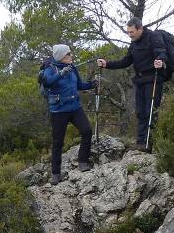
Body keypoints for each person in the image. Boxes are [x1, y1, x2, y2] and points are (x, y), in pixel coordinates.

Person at [96, 17, 166, 151]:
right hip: (140, 80)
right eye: (128, 32)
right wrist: (107, 64)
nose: (129, 35)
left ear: (140, 29)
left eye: (131, 32)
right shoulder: (133, 43)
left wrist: (160, 61)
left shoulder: (153, 37)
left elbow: (161, 52)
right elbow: (126, 61)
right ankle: (140, 142)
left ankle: (149, 143)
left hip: (153, 79)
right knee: (140, 111)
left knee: (150, 111)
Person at [40, 43, 96, 184]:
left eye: (70, 54)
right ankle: (56, 174)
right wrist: (60, 74)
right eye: (68, 54)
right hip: (58, 110)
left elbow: (79, 85)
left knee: (87, 131)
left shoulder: (72, 68)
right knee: (58, 142)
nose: (71, 56)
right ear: (61, 57)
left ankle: (83, 161)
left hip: (75, 107)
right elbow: (47, 82)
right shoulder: (49, 68)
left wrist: (92, 84)